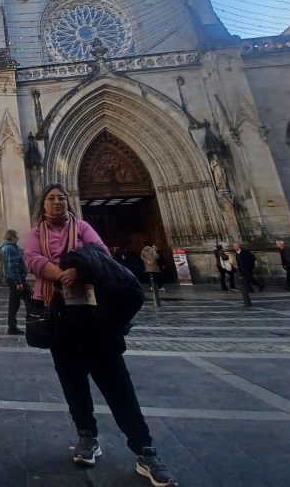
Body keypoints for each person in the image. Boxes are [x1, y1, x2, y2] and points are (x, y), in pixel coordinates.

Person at [25, 183, 175, 486]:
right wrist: (59, 274)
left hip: (95, 317)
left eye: (62, 198)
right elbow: (32, 259)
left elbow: (101, 252)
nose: (57, 202)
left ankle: (144, 449)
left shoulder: (82, 227)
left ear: (69, 203)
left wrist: (78, 271)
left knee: (116, 383)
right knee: (73, 382)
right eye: (51, 198)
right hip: (60, 317)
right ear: (43, 205)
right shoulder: (34, 233)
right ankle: (87, 437)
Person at [0, 229, 32, 335]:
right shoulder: (10, 249)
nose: (18, 239)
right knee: (29, 300)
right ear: (12, 237)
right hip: (16, 279)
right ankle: (33, 324)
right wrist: (18, 282)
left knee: (14, 303)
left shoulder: (5, 247)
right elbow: (13, 266)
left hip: (11, 279)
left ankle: (12, 327)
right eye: (17, 237)